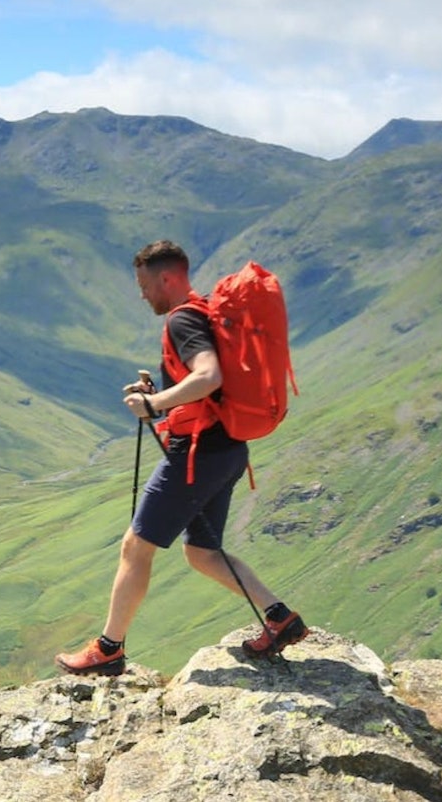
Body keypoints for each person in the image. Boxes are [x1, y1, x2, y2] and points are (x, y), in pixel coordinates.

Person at [55, 240, 306, 676]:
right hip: (227, 451)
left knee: (135, 547)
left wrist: (154, 407)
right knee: (203, 553)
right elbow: (205, 387)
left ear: (166, 278)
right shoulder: (205, 312)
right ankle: (280, 618)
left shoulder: (182, 320)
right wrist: (164, 398)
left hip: (196, 455)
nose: (142, 294)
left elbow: (209, 376)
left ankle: (108, 649)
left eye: (144, 284)